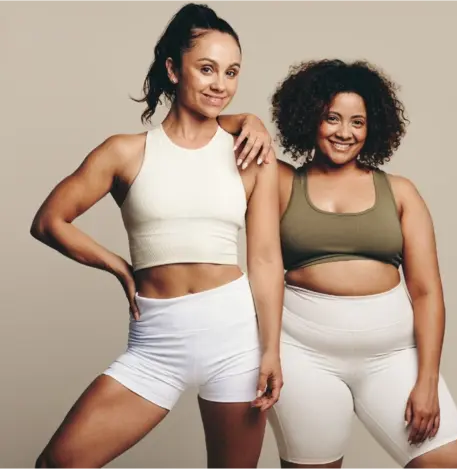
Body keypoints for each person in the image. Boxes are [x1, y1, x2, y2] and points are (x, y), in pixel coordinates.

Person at [30, 4, 283, 469]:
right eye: (206, 69)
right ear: (172, 69)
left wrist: (271, 349)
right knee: (59, 463)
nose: (219, 84)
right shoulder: (124, 152)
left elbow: (265, 260)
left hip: (234, 339)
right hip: (157, 342)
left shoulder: (251, 156)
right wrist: (118, 266)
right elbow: (49, 221)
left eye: (231, 72)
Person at [222, 59, 457, 468]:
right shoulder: (282, 182)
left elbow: (428, 293)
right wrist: (246, 119)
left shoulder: (400, 192)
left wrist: (428, 381)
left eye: (357, 122)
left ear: (373, 126)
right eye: (332, 118)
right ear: (310, 119)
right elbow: (201, 128)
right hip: (302, 358)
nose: (345, 132)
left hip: (394, 358)